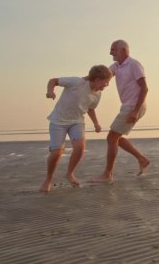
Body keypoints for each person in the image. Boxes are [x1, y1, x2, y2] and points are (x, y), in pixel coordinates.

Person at [40, 65, 112, 193]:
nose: (106, 85)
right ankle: (48, 179)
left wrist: (96, 123)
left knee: (80, 147)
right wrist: (50, 91)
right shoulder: (76, 82)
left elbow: (90, 108)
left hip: (77, 121)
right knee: (56, 153)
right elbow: (53, 81)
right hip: (58, 121)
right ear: (96, 79)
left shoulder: (98, 94)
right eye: (105, 81)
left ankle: (69, 173)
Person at [90, 40, 150, 183]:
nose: (110, 52)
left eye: (113, 50)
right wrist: (83, 82)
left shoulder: (134, 64)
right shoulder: (117, 66)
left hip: (134, 106)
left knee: (111, 138)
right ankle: (142, 159)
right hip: (127, 106)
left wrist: (135, 111)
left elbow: (144, 88)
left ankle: (108, 174)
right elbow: (104, 75)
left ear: (123, 50)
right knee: (116, 138)